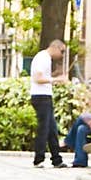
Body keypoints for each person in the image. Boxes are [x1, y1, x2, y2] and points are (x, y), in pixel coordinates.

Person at [30, 39, 69, 169]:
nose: (62, 55)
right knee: (44, 129)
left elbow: (42, 76)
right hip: (41, 97)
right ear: (56, 47)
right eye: (62, 51)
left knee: (52, 129)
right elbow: (38, 78)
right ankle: (38, 159)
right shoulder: (43, 57)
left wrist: (54, 76)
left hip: (45, 96)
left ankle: (56, 159)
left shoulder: (44, 58)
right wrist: (56, 79)